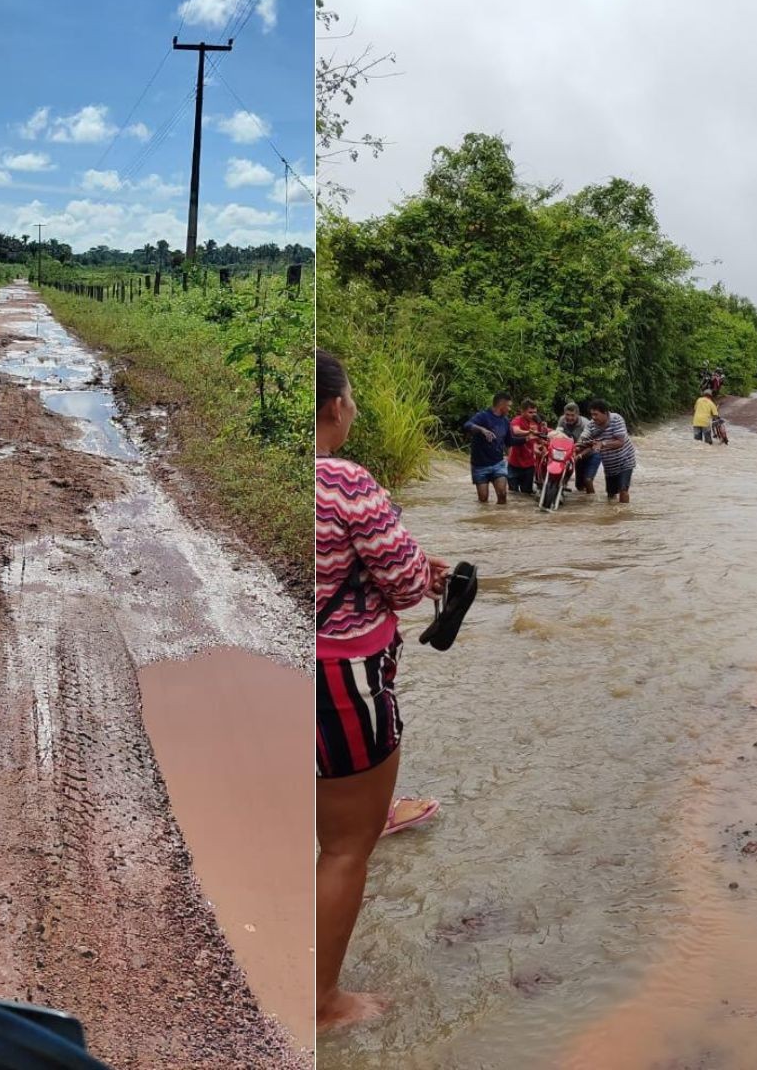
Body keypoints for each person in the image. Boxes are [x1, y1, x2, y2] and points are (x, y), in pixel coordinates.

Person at [317, 350, 450, 1031]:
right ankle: (320, 1003)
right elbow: (403, 585)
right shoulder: (343, 480)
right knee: (344, 846)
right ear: (334, 407)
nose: (357, 410)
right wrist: (422, 574)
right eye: (355, 399)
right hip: (342, 679)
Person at [464, 393, 521, 505]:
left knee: (502, 495)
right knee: (483, 500)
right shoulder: (483, 416)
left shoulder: (505, 421)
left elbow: (509, 442)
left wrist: (527, 438)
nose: (509, 409)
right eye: (508, 406)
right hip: (480, 465)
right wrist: (482, 430)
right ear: (501, 404)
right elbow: (467, 425)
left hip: (498, 464)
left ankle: (500, 519)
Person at [587, 398, 637, 503]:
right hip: (609, 464)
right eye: (592, 414)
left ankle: (623, 516)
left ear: (605, 413)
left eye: (596, 414)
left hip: (625, 459)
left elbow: (620, 442)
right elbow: (585, 439)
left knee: (623, 489)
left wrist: (603, 443)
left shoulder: (616, 419)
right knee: (611, 494)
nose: (593, 417)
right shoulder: (591, 425)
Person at [505, 400, 548, 496]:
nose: (533, 414)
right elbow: (516, 431)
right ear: (522, 411)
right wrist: (530, 432)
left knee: (526, 494)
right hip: (514, 464)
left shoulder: (538, 423)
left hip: (529, 465)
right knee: (513, 493)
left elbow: (540, 440)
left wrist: (541, 448)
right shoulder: (517, 420)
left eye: (535, 412)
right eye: (530, 412)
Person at [557, 402, 596, 493]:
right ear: (564, 414)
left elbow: (592, 445)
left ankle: (592, 502)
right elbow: (557, 437)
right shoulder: (562, 420)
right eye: (567, 415)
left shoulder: (586, 424)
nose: (569, 418)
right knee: (579, 486)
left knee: (587, 480)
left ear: (578, 414)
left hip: (591, 453)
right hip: (575, 453)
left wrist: (579, 455)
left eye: (572, 415)